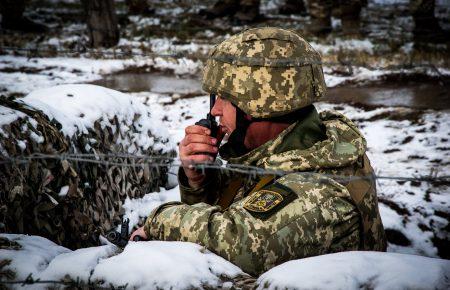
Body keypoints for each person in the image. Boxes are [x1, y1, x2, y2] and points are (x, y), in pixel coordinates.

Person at [131, 27, 386, 276]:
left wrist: (159, 221)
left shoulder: (317, 190)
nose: (215, 111)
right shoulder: (279, 150)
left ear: (258, 108)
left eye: (224, 98)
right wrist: (199, 179)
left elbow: (238, 243)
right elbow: (234, 209)